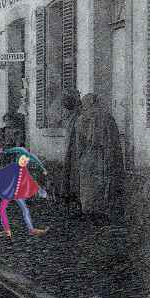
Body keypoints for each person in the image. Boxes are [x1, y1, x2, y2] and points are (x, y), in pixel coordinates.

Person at [74, 93, 126, 225]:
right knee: (102, 182)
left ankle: (90, 211)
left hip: (88, 157)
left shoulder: (80, 120)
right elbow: (114, 142)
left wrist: (81, 158)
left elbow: (79, 145)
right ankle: (103, 212)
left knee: (89, 184)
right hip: (104, 156)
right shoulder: (108, 118)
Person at [0, 147, 49, 238]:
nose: (24, 162)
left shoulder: (24, 171)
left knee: (25, 210)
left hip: (18, 193)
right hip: (9, 191)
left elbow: (32, 182)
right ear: (19, 157)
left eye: (27, 161)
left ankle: (31, 229)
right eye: (23, 159)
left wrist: (41, 189)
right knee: (2, 209)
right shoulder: (13, 166)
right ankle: (7, 230)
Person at [62, 88, 83, 216]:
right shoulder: (71, 116)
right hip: (70, 148)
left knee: (76, 176)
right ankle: (72, 204)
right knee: (70, 175)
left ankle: (78, 204)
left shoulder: (79, 116)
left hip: (76, 149)